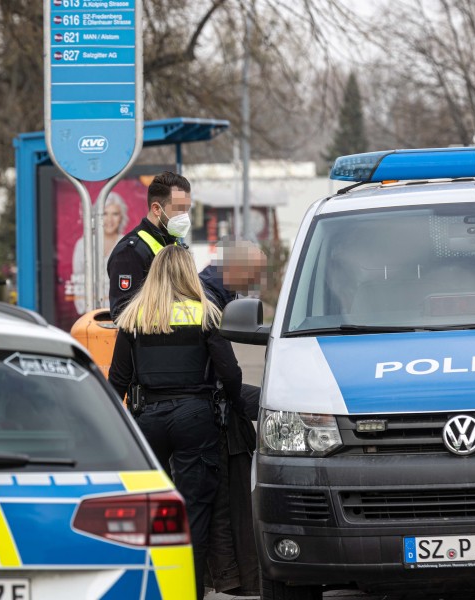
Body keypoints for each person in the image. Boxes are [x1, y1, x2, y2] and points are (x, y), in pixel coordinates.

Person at [108, 245, 243, 600]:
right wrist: (233, 403)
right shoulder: (206, 314)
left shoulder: (134, 316)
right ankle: (188, 591)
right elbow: (230, 374)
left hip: (147, 418)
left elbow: (117, 380)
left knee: (153, 507)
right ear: (187, 274)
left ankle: (151, 587)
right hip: (195, 417)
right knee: (194, 509)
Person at [199, 240, 268, 596]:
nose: (255, 283)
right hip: (212, 408)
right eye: (254, 274)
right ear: (237, 269)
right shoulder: (209, 299)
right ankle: (233, 579)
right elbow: (228, 373)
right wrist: (244, 407)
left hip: (202, 404)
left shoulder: (215, 292)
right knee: (227, 499)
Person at [107, 171, 192, 318]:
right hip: (151, 340)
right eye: (179, 209)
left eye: (187, 209)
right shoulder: (129, 252)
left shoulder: (174, 243)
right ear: (156, 209)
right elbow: (123, 313)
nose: (185, 216)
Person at [71, 192, 129, 314]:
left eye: (115, 214)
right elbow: (78, 281)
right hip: (90, 314)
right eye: (104, 213)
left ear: (121, 217)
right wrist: (86, 312)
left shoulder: (128, 244)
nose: (109, 220)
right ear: (96, 216)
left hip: (121, 315)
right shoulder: (83, 244)